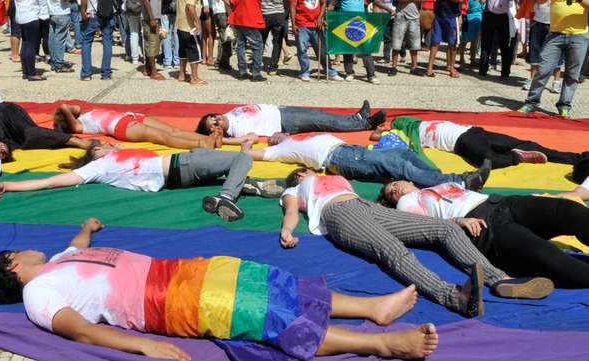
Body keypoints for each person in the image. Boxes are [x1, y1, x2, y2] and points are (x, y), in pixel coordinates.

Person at [0, 219, 440, 361]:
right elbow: (79, 331)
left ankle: (373, 307)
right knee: (262, 315)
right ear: (11, 264)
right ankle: (380, 343)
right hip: (162, 300)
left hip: (177, 271)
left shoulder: (58, 262)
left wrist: (86, 228)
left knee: (270, 283)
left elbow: (77, 247)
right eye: (18, 251)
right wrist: (145, 345)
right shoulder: (36, 297)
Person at [279, 171, 553, 317]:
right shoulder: (294, 189)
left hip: (366, 208)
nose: (309, 170)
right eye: (303, 170)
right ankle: (455, 297)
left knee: (445, 228)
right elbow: (292, 211)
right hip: (340, 214)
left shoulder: (332, 177)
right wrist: (287, 231)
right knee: (393, 251)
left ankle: (500, 279)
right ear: (299, 176)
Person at [380, 180, 589, 287]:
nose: (393, 189)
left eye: (394, 183)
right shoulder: (406, 202)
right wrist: (457, 221)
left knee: (570, 211)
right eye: (390, 192)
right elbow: (421, 225)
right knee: (548, 254)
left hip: (503, 203)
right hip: (482, 225)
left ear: (409, 181)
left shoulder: (436, 184)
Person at [0, 143, 272, 221]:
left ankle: (243, 186)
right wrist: (10, 185)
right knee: (243, 158)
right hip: (181, 163)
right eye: (103, 145)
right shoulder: (98, 166)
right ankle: (228, 196)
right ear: (95, 154)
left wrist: (8, 186)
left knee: (233, 164)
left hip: (178, 176)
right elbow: (50, 182)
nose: (110, 144)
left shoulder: (104, 165)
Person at [241, 132, 490, 190]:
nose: (276, 135)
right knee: (399, 167)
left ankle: (439, 181)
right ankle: (459, 183)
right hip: (339, 159)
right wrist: (247, 141)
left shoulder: (297, 136)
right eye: (272, 137)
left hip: (349, 150)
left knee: (405, 155)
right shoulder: (280, 150)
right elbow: (247, 154)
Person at [371, 116, 583, 170]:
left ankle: (515, 157)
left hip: (463, 140)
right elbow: (380, 136)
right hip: (472, 131)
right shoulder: (418, 125)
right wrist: (383, 130)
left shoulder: (408, 132)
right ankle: (575, 159)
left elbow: (377, 139)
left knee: (487, 161)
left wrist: (381, 131)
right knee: (525, 142)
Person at [521, 0, 589, 118]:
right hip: (556, 34)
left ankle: (564, 106)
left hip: (579, 35)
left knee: (572, 75)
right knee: (543, 69)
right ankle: (531, 103)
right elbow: (540, 0)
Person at [195, 101, 386, 143]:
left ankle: (357, 118)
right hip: (284, 121)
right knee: (323, 120)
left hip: (281, 111)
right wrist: (224, 140)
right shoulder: (236, 130)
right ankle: (364, 123)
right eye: (214, 125)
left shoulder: (229, 114)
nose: (216, 120)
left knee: (321, 114)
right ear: (216, 131)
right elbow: (252, 138)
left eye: (213, 118)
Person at [53, 104, 219, 150]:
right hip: (121, 127)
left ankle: (209, 139)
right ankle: (201, 144)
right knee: (164, 137)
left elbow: (74, 108)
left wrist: (63, 115)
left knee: (174, 130)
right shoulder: (79, 126)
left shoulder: (84, 115)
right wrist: (60, 116)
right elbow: (64, 106)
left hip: (130, 117)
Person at [328, 0, 389, 83]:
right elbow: (332, 4)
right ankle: (349, 72)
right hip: (345, 21)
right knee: (348, 48)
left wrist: (388, 9)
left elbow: (375, 0)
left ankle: (371, 75)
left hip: (360, 22)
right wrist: (326, 17)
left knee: (365, 49)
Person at [0, 102, 91, 151]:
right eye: (1, 153)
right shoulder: (11, 145)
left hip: (6, 113)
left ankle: (75, 139)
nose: (0, 151)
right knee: (38, 140)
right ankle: (62, 117)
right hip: (13, 138)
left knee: (31, 135)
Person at [290, 0, 339, 82]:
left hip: (316, 24)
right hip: (301, 24)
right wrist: (293, 24)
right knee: (302, 50)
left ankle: (330, 71)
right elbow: (292, 6)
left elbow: (323, 4)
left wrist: (320, 18)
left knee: (322, 50)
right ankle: (304, 72)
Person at [220, 0, 266, 81]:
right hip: (251, 17)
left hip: (238, 18)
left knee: (240, 44)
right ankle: (256, 72)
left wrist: (231, 4)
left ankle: (242, 71)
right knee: (257, 45)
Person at [426, 0, 466, 78]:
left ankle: (452, 69)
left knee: (452, 43)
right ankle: (429, 68)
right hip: (440, 15)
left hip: (451, 16)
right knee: (435, 42)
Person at [79, 0, 115, 81]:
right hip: (107, 12)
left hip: (92, 13)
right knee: (107, 41)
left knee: (86, 41)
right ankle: (105, 73)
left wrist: (82, 11)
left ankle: (86, 73)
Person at [477, 0, 515, 78]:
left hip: (490, 15)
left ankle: (483, 70)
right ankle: (505, 72)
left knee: (486, 43)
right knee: (505, 45)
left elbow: (482, 0)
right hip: (504, 16)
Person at [12, 0, 46, 81]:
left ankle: (26, 71)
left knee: (26, 45)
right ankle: (31, 72)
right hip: (30, 16)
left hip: (22, 16)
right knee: (31, 45)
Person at [390, 0, 425, 75]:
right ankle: (394, 66)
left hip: (414, 17)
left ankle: (414, 67)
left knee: (415, 45)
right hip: (401, 15)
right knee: (396, 44)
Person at [257, 0, 290, 75]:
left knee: (261, 40)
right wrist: (285, 14)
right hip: (278, 14)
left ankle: (257, 63)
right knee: (277, 41)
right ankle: (273, 67)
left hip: (264, 14)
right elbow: (286, 1)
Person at [175, 0, 205, 85]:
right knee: (194, 50)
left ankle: (181, 74)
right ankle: (194, 77)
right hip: (189, 25)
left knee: (183, 50)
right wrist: (197, 21)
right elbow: (190, 6)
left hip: (180, 23)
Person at [203, 0, 233, 70]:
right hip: (223, 10)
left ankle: (221, 61)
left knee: (222, 36)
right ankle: (222, 62)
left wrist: (206, 3)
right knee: (226, 37)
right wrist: (230, 12)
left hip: (214, 10)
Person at [141, 0, 165, 80]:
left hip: (154, 17)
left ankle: (147, 69)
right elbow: (146, 0)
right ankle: (153, 72)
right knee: (151, 43)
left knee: (154, 43)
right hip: (150, 18)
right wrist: (151, 18)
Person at [157, 0, 180, 69]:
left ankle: (167, 61)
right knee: (175, 34)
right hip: (175, 9)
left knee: (165, 34)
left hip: (163, 8)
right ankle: (176, 61)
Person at [121, 0, 144, 64]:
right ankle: (145, 56)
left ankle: (134, 58)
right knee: (143, 33)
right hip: (143, 9)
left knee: (133, 33)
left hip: (131, 10)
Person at [458, 0, 483, 67]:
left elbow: (463, 7)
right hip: (478, 19)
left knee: (464, 40)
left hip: (467, 18)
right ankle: (472, 60)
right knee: (474, 41)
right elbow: (483, 7)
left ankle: (461, 58)